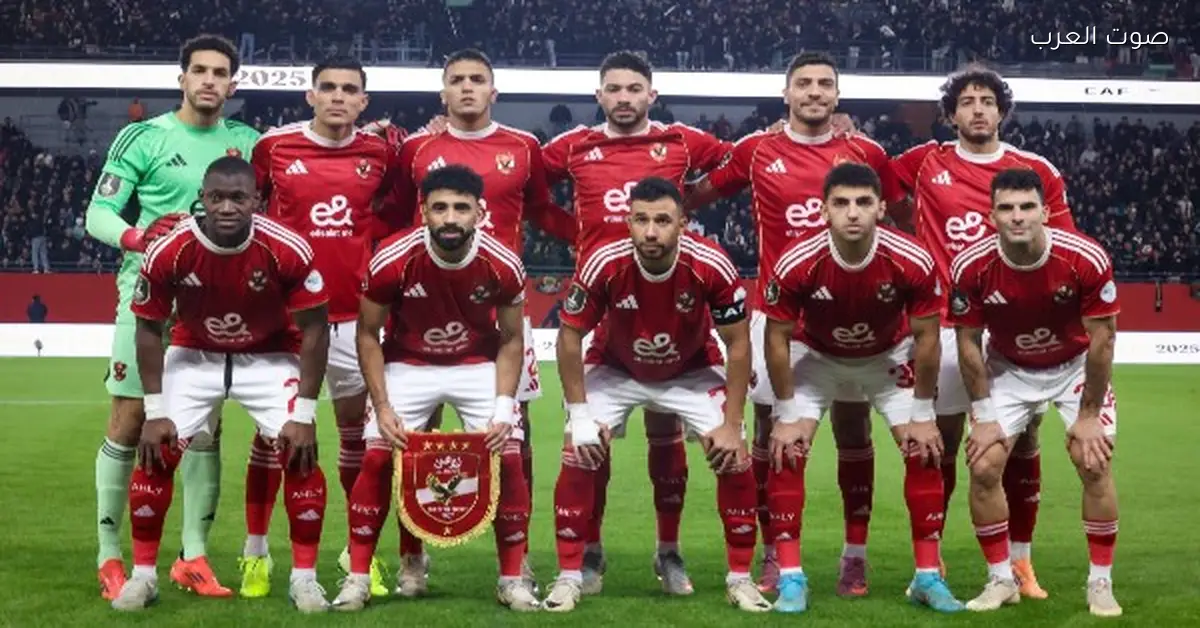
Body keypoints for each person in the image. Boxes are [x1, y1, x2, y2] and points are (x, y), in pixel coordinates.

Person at [687, 52, 905, 594]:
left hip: (852, 317)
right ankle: (773, 554)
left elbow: (904, 214)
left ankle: (854, 556)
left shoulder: (866, 152)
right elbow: (694, 194)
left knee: (853, 429)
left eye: (824, 84)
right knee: (772, 434)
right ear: (786, 94)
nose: (814, 92)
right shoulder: (757, 150)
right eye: (803, 83)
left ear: (837, 95)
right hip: (780, 319)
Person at [541, 50, 733, 595]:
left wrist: (691, 199)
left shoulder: (681, 141)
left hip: (669, 296)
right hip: (603, 301)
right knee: (590, 440)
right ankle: (590, 552)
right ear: (599, 95)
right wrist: (575, 234)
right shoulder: (573, 145)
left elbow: (738, 165)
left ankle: (668, 551)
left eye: (633, 89)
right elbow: (527, 190)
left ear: (652, 94)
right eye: (614, 89)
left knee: (665, 432)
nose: (623, 98)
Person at [888, 66, 1079, 596]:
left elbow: (1064, 249)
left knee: (1021, 443)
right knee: (940, 444)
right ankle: (931, 560)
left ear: (1001, 111)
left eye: (987, 100)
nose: (977, 109)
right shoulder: (925, 162)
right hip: (950, 327)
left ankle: (1020, 562)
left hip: (1014, 330)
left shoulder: (1035, 169)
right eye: (967, 101)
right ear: (951, 114)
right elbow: (870, 176)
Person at [112, 157, 331, 613]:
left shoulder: (286, 247)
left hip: (270, 356)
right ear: (203, 199)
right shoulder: (170, 249)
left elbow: (315, 328)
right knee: (156, 451)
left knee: (300, 452)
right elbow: (148, 329)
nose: (227, 207)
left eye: (238, 198)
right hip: (195, 355)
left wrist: (306, 414)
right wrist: (155, 411)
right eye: (217, 198)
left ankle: (305, 580)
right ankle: (144, 577)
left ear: (257, 201)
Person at [84, 34, 260, 600]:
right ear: (181, 78)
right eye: (199, 70)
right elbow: (99, 212)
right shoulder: (145, 137)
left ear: (233, 84)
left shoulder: (250, 144)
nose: (209, 80)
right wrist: (139, 237)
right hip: (148, 299)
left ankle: (192, 557)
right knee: (130, 419)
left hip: (218, 305)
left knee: (205, 427)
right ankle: (110, 557)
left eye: (220, 73)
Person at [393, 48, 577, 591]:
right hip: (423, 309)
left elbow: (542, 212)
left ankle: (518, 559)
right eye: (458, 80)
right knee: (415, 436)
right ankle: (411, 558)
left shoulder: (523, 148)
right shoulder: (416, 149)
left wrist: (590, 238)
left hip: (501, 316)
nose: (468, 87)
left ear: (494, 91)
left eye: (478, 79)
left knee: (515, 436)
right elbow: (393, 213)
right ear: (443, 92)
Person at [541, 177, 769, 613]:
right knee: (579, 449)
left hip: (691, 370)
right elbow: (569, 337)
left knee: (734, 456)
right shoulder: (604, 261)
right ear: (628, 221)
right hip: (616, 367)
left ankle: (739, 578)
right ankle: (570, 574)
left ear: (683, 223)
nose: (650, 232)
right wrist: (580, 414)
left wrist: (732, 424)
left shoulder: (711, 263)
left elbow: (738, 343)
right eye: (640, 220)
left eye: (662, 221)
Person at [331, 164, 535, 611]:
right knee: (376, 455)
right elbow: (368, 334)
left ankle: (512, 579)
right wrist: (382, 405)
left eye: (461, 208)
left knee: (509, 455)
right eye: (440, 208)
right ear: (423, 211)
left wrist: (504, 407)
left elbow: (511, 338)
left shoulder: (502, 262)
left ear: (480, 213)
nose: (450, 218)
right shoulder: (393, 258)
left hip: (476, 365)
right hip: (409, 364)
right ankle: (358, 578)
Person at [760, 163, 961, 613]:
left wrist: (923, 413)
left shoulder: (911, 258)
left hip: (886, 358)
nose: (853, 213)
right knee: (787, 448)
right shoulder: (798, 260)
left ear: (881, 208)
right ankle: (791, 578)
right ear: (824, 210)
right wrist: (787, 414)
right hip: (817, 358)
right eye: (841, 203)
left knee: (923, 449)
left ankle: (927, 576)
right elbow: (776, 339)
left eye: (864, 202)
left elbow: (928, 338)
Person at [243, 55, 401, 599]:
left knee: (356, 435)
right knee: (275, 435)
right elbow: (246, 210)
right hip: (288, 319)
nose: (338, 96)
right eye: (328, 87)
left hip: (354, 318)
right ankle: (256, 553)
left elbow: (400, 208)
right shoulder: (274, 147)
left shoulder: (380, 152)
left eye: (349, 89)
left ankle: (358, 556)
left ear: (364, 101)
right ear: (310, 95)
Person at [949, 168, 1121, 617]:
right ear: (991, 216)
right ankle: (1001, 579)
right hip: (1009, 369)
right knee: (983, 465)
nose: (1017, 216)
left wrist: (1088, 416)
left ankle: (1100, 583)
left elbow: (1102, 340)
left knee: (1093, 461)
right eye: (1006, 208)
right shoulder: (971, 265)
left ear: (1045, 212)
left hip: (1073, 367)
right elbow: (968, 342)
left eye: (1027, 207)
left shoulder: (1083, 257)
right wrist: (983, 415)